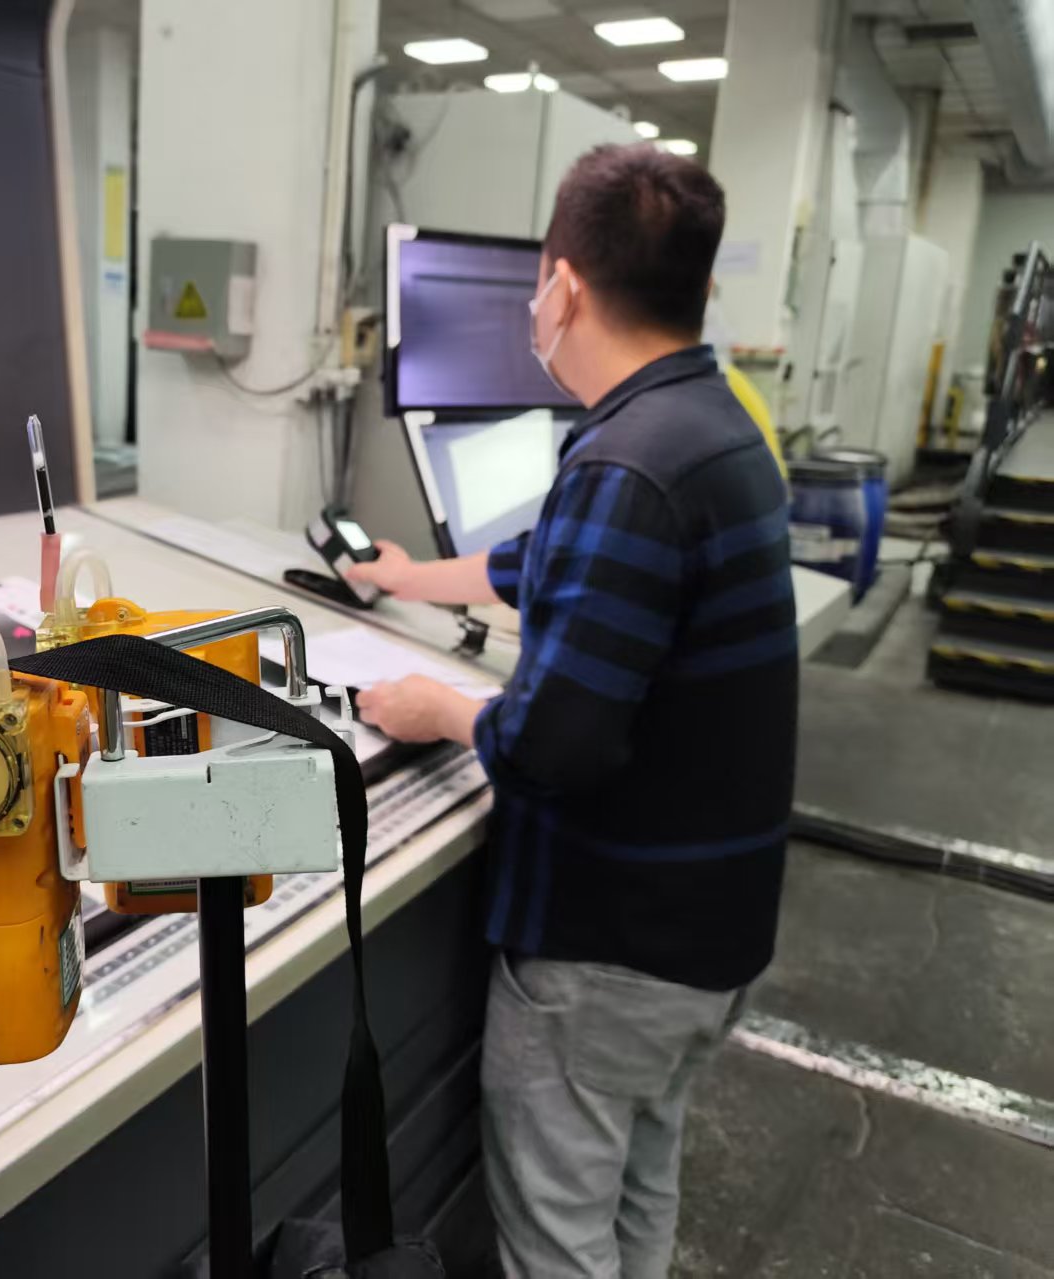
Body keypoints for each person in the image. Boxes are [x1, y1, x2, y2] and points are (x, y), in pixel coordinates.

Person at [347, 143, 796, 1279]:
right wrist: (402, 577)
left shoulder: (625, 467)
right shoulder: (707, 424)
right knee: (638, 1191)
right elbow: (546, 562)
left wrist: (438, 708)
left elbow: (550, 746)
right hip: (709, 940)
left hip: (611, 956)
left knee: (558, 1238)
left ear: (560, 287)